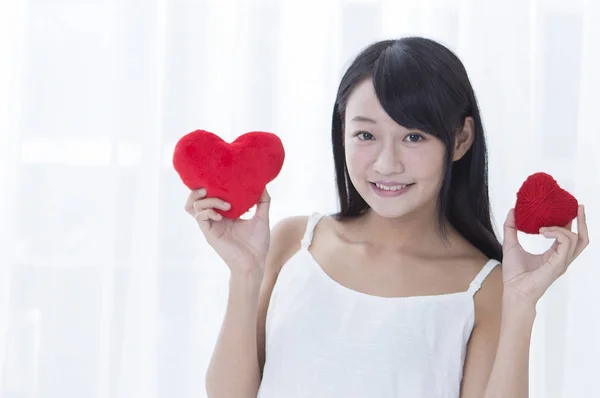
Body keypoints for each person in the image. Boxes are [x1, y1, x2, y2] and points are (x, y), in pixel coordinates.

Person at [186, 37, 589, 398]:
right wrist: (244, 273)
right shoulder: (294, 242)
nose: (386, 163)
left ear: (461, 139)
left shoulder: (485, 288)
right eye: (366, 135)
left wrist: (522, 307)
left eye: (414, 137)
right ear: (342, 131)